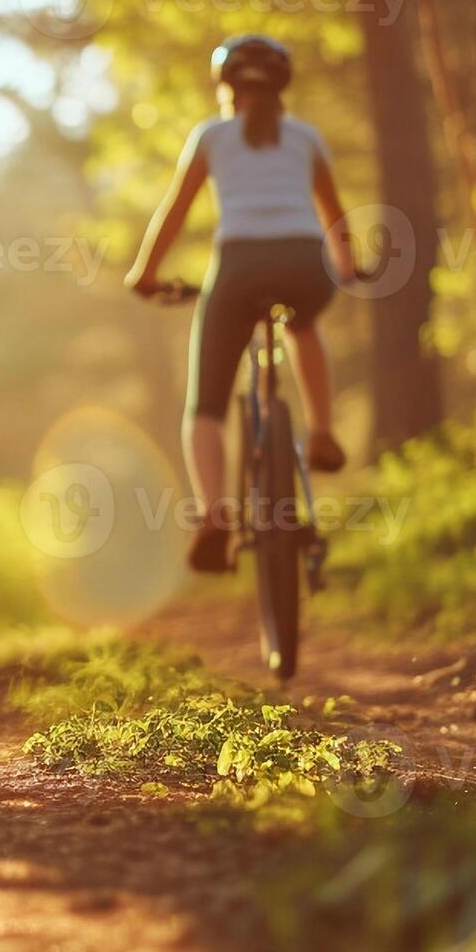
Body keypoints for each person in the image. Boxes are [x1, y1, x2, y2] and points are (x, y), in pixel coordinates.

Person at [121, 34, 361, 574]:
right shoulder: (305, 137)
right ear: (282, 90)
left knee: (205, 404)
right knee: (303, 324)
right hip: (305, 262)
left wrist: (145, 274)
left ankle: (214, 515)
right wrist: (346, 269)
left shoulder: (212, 135)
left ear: (226, 88)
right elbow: (335, 217)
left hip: (238, 266)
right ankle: (321, 432)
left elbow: (174, 211)